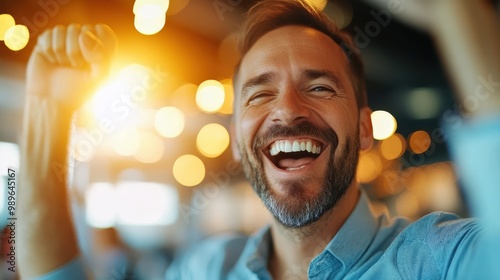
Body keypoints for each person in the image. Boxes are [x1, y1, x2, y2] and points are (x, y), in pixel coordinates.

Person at [18, 0, 500, 279]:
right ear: (235, 139)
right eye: (260, 93)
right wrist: (45, 106)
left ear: (365, 129)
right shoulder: (206, 269)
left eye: (319, 87)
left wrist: (452, 8)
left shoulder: (437, 263)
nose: (287, 109)